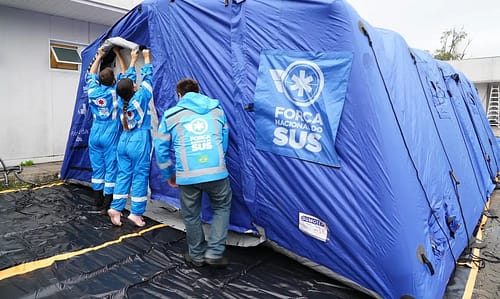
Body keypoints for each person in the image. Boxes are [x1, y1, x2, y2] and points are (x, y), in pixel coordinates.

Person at [154, 78, 232, 267]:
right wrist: (218, 160)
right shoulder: (217, 110)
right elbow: (224, 139)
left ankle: (196, 256)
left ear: (179, 95)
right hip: (217, 173)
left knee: (191, 215)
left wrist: (169, 175)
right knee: (221, 208)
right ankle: (214, 252)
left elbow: (160, 148)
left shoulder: (171, 115)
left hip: (187, 175)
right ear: (198, 91)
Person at [108, 48, 153, 227]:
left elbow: (124, 83)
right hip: (139, 141)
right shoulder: (140, 97)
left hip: (124, 141)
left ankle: (116, 208)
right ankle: (135, 213)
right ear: (134, 88)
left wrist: (133, 60)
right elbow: (148, 79)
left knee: (123, 175)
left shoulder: (121, 100)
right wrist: (147, 57)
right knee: (140, 177)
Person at [87, 46, 136, 212]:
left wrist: (99, 56)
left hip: (95, 133)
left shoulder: (92, 90)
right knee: (111, 167)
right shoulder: (116, 92)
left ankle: (97, 200)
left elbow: (91, 74)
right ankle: (107, 203)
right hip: (110, 133)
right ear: (113, 81)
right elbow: (127, 77)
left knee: (97, 167)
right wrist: (119, 54)